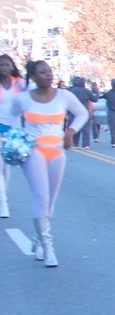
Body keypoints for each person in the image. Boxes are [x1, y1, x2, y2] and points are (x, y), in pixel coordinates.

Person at [10, 60, 89, 267]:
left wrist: (70, 131)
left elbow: (82, 113)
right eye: (42, 72)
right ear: (33, 77)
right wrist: (18, 139)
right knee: (41, 196)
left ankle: (37, 238)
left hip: (56, 152)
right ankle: (48, 247)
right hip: (33, 151)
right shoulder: (23, 99)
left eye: (50, 71)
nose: (48, 75)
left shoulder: (64, 96)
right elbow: (12, 119)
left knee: (50, 201)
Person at [0, 54, 28, 218]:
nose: (4, 67)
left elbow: (33, 95)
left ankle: (2, 197)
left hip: (14, 131)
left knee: (6, 168)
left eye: (6, 64)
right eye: (1, 65)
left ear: (12, 66)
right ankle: (3, 206)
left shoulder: (20, 83)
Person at [67, 77, 98, 149]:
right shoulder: (86, 91)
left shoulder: (72, 90)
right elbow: (95, 99)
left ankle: (75, 143)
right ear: (84, 83)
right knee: (86, 128)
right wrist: (96, 92)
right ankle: (86, 145)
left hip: (74, 111)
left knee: (76, 127)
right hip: (85, 111)